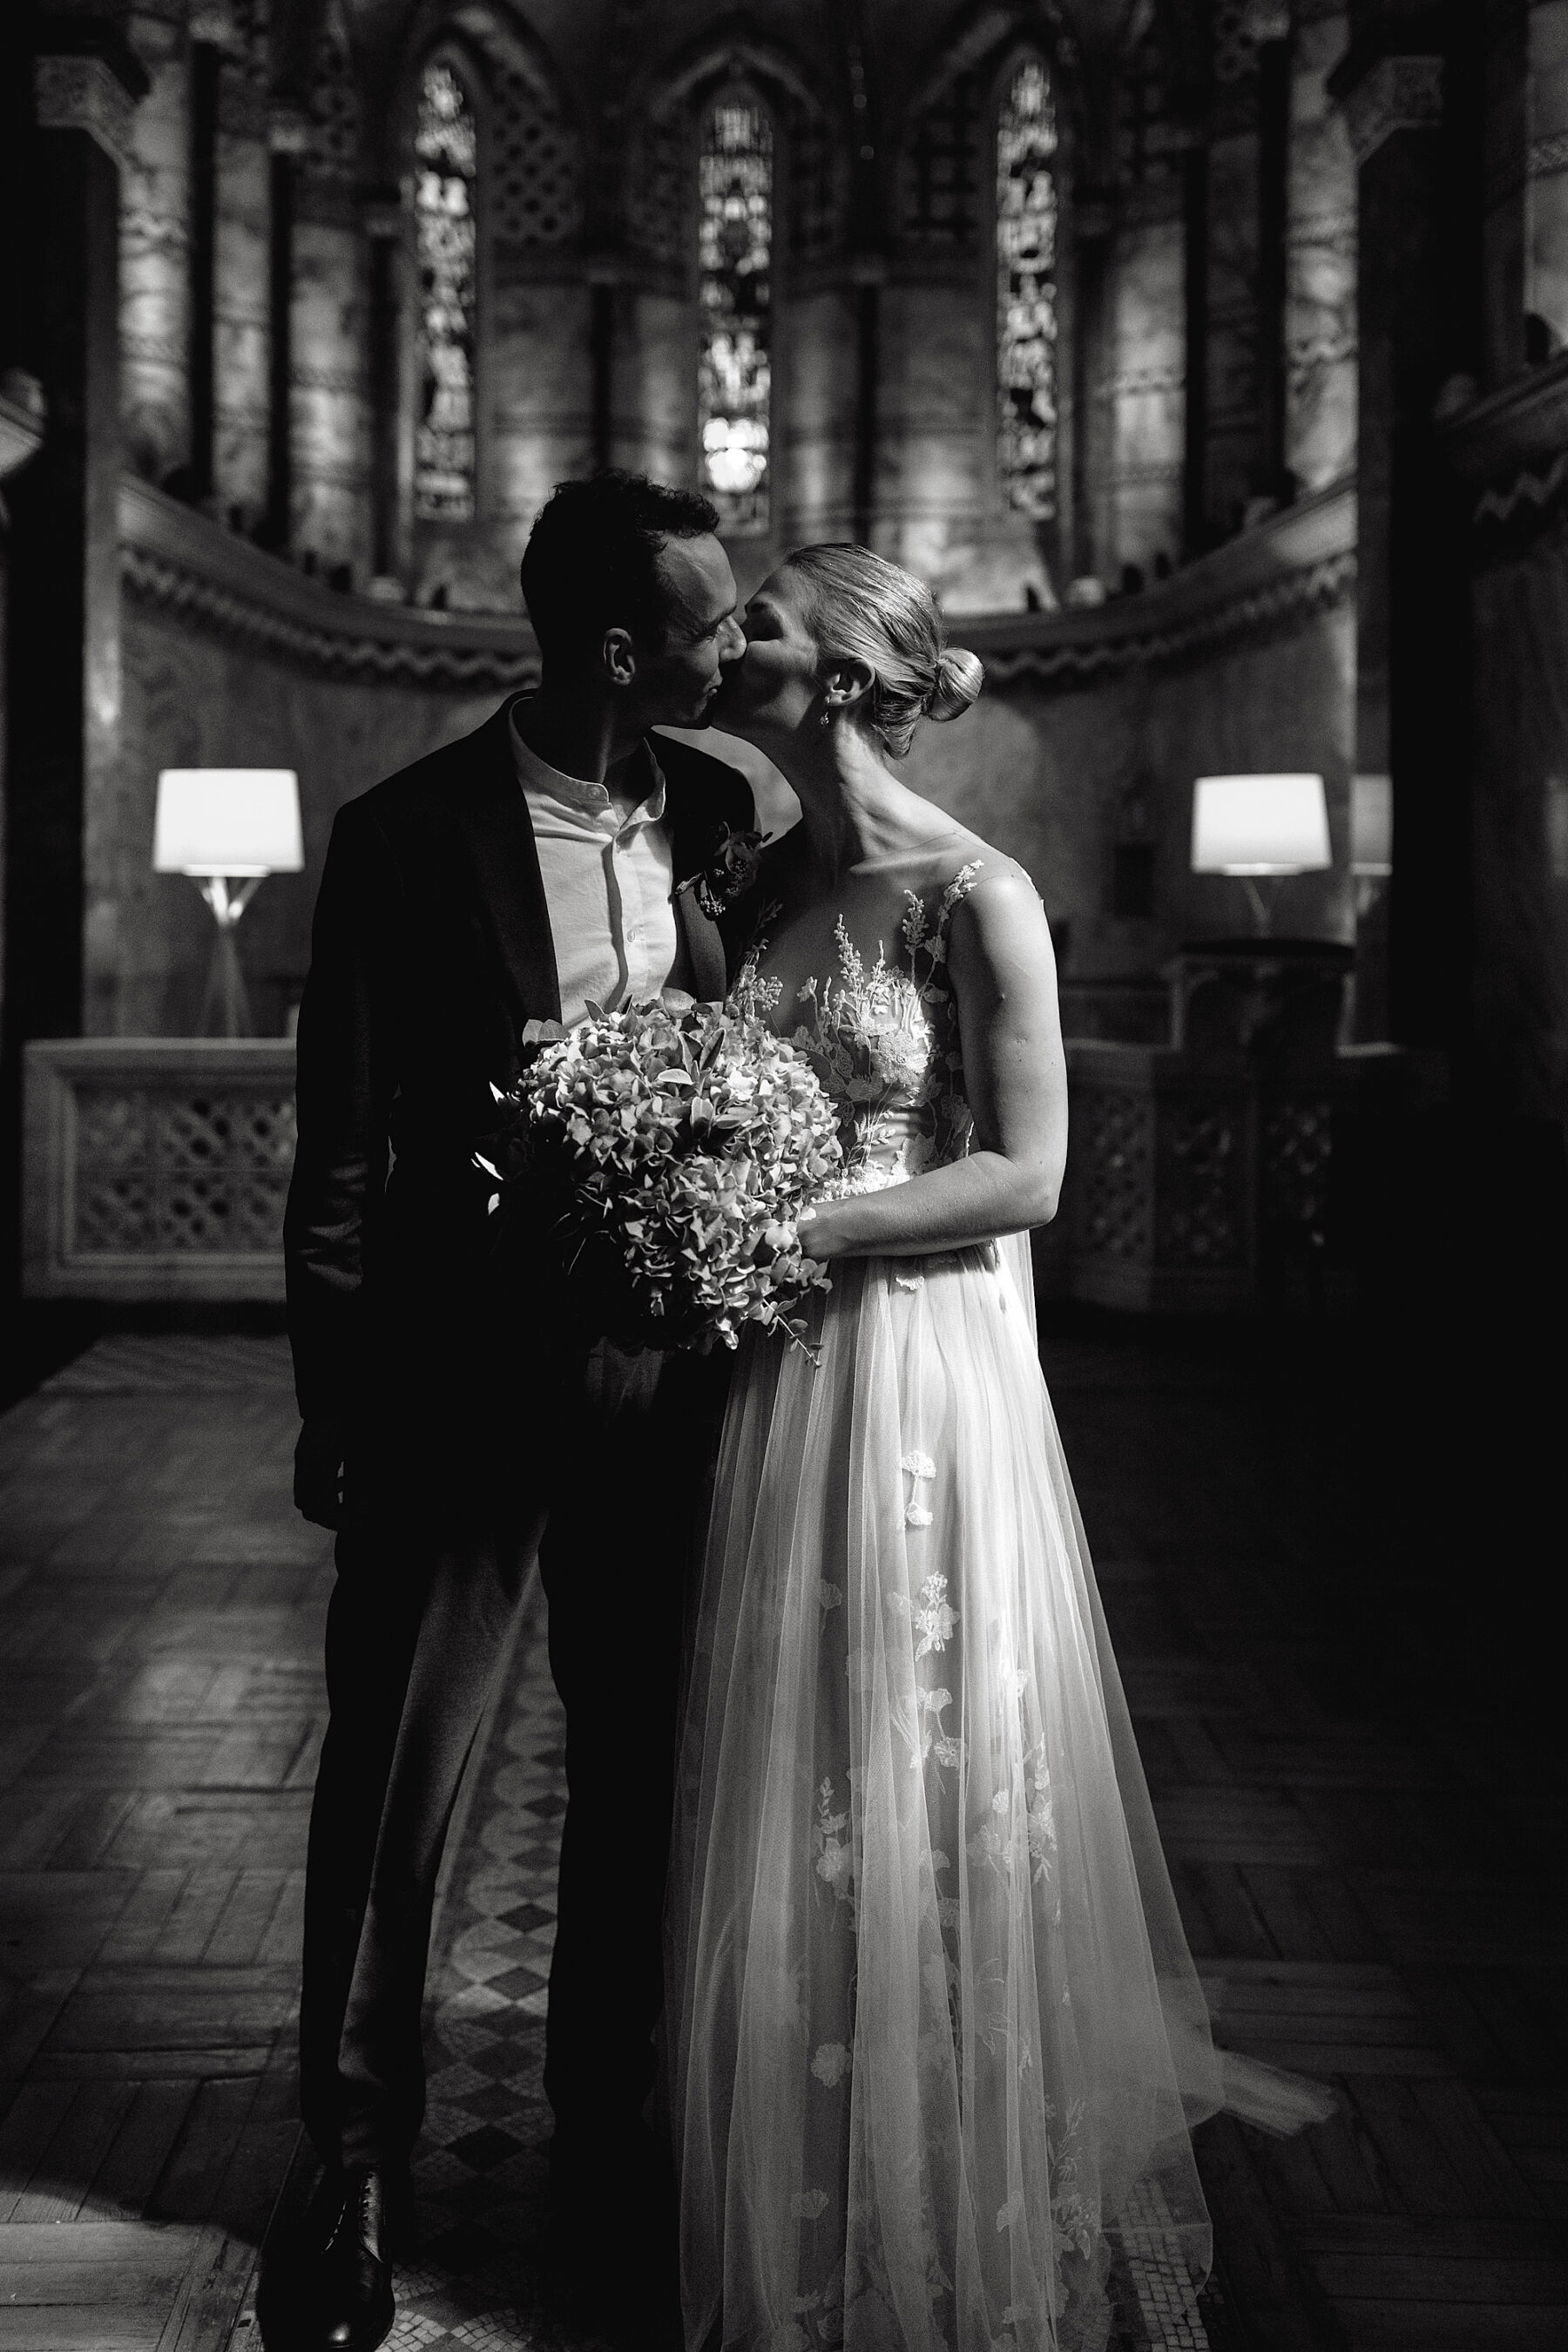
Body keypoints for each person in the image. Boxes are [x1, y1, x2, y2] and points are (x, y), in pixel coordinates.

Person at [666, 545, 1332, 2352]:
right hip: (777, 1370)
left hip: (913, 1361)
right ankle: (814, 2171)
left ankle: (949, 2206)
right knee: (798, 1761)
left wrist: (787, 1231)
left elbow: (1026, 1174)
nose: (733, 648)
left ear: (859, 677)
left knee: (924, 1744)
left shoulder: (977, 892)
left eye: (766, 628)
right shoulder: (752, 877)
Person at [283, 471, 751, 2352]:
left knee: (640, 1773)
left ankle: (603, 2136)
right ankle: (353, 2153)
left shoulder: (718, 816)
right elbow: (341, 1150)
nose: (739, 648)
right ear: (622, 647)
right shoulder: (407, 834)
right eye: (713, 622)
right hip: (455, 1390)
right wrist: (334, 1403)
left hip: (666, 1387)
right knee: (405, 1773)